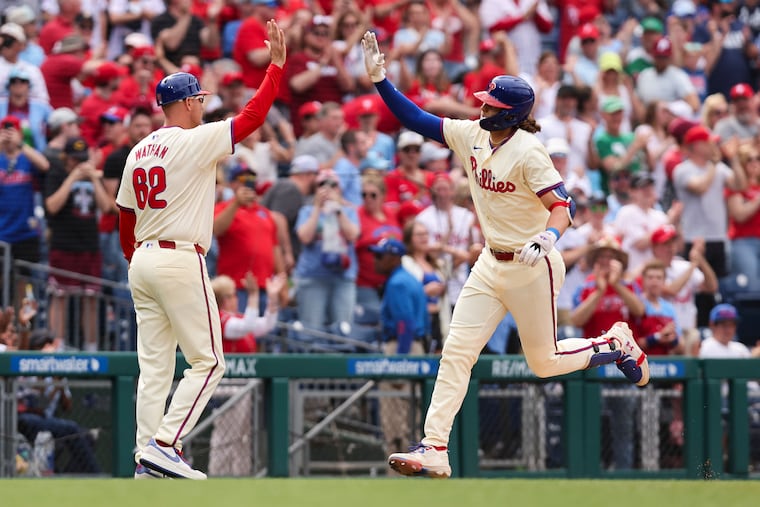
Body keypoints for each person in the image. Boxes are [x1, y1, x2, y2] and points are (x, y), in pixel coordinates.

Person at [361, 30, 650, 478]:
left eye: (492, 105)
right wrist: (381, 81)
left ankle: (614, 343)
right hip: (488, 264)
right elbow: (418, 120)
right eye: (484, 102)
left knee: (544, 362)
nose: (482, 108)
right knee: (456, 352)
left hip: (533, 264)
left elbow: (563, 207)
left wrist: (549, 238)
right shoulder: (473, 134)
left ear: (511, 114)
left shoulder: (529, 152)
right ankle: (435, 446)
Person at [116, 20, 286, 480]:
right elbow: (251, 118)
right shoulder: (193, 139)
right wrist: (275, 68)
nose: (203, 105)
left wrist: (137, 260)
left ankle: (145, 460)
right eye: (200, 99)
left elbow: (124, 219)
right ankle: (165, 445)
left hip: (144, 260)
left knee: (153, 369)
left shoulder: (138, 150)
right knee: (209, 361)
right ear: (187, 102)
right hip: (176, 257)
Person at [371, 236, 430, 455]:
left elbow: (405, 323)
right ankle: (414, 467)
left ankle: (398, 475)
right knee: (411, 415)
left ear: (394, 258)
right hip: (416, 348)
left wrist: (399, 362)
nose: (375, 260)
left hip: (402, 347)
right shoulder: (410, 278)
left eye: (379, 255)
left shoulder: (397, 283)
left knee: (396, 418)